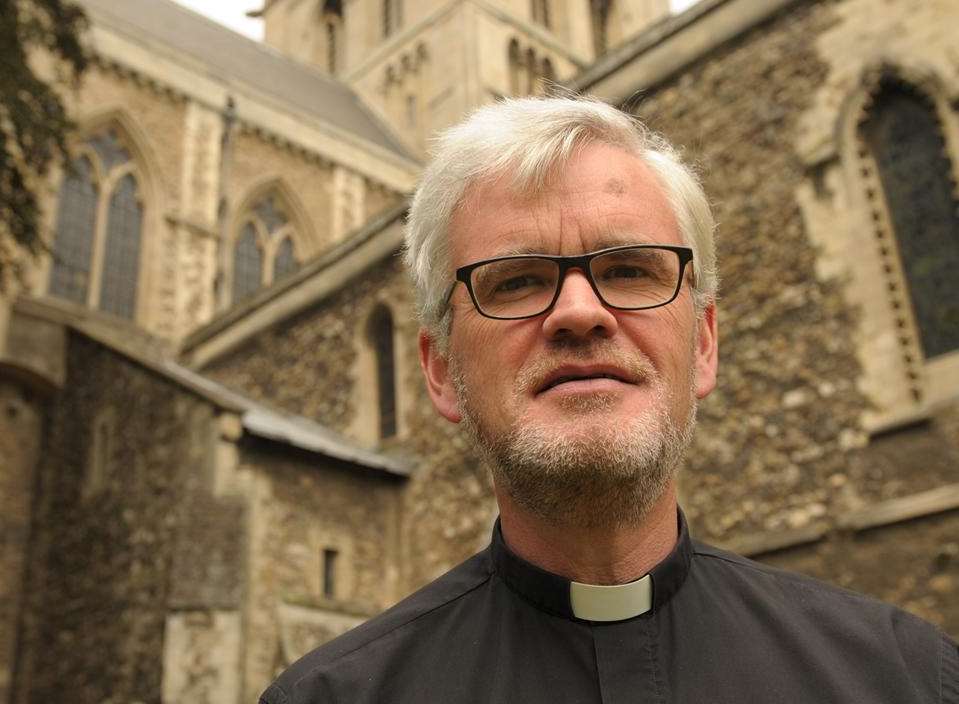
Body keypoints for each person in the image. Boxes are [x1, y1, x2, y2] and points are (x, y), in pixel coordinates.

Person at [260, 96, 958, 703]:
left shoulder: (904, 677)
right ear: (441, 369)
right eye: (516, 281)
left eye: (627, 270)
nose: (578, 311)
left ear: (703, 345)